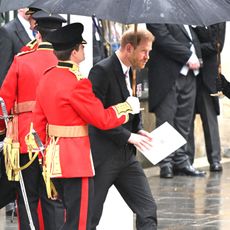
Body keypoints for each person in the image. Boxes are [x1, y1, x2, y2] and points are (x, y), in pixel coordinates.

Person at [32, 22, 140, 230]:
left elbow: (38, 121)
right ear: (74, 52)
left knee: (70, 218)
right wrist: (126, 107)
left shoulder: (47, 77)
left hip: (54, 158)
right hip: (76, 162)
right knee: (79, 222)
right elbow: (101, 119)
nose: (84, 49)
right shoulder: (77, 83)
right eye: (82, 46)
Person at [0, 11, 67, 230]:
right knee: (53, 197)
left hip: (25, 138)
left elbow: (5, 100)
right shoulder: (64, 63)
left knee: (27, 198)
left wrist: (3, 130)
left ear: (37, 32)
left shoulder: (22, 59)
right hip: (55, 139)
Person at [88, 28, 157, 230]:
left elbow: (131, 107)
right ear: (129, 48)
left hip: (126, 157)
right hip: (103, 156)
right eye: (144, 51)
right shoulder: (101, 71)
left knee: (147, 209)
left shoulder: (132, 71)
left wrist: (139, 128)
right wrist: (128, 136)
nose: (147, 57)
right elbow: (95, 116)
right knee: (91, 216)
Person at [146, 23, 206, 178]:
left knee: (184, 121)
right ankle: (166, 163)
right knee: (166, 121)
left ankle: (181, 160)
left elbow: (194, 41)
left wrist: (197, 57)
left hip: (190, 75)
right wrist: (187, 55)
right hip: (167, 75)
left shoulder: (186, 18)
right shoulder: (158, 12)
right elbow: (163, 38)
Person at [187, 23, 226, 172]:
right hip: (187, 74)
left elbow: (216, 45)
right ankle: (187, 159)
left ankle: (215, 159)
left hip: (207, 76)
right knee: (187, 119)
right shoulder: (185, 15)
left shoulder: (216, 18)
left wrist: (194, 48)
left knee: (209, 119)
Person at [0, 8, 34, 85]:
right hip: (19, 89)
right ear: (20, 8)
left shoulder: (38, 27)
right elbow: (4, 69)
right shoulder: (7, 31)